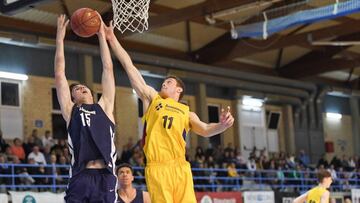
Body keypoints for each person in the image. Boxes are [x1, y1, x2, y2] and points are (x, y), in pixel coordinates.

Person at [105, 22, 234, 203]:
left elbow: (205, 129)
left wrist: (223, 125)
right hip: (158, 167)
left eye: (169, 82)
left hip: (181, 167)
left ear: (179, 90)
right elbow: (129, 66)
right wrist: (112, 39)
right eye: (164, 82)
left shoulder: (186, 112)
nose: (164, 83)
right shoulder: (153, 99)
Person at [55, 15, 117, 202]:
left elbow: (108, 68)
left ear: (91, 92)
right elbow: (59, 74)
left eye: (84, 87)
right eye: (76, 89)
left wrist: (101, 36)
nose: (80, 88)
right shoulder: (70, 110)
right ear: (73, 97)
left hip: (105, 177)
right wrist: (59, 39)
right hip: (80, 176)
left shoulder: (104, 106)